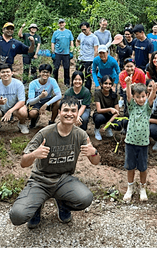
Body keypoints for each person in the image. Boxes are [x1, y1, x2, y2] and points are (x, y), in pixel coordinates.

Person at [8, 96, 101, 229]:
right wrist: (34, 154)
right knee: (17, 216)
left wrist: (94, 152)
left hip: (64, 180)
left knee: (85, 199)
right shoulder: (45, 133)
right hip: (40, 181)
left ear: (77, 114)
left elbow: (95, 161)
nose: (69, 114)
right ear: (59, 112)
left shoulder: (81, 134)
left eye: (73, 110)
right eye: (66, 110)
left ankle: (63, 203)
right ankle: (36, 207)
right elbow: (23, 162)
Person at [122, 83, 154, 202]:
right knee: (130, 166)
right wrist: (129, 83)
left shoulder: (147, 109)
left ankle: (142, 188)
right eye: (138, 97)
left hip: (143, 143)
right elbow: (128, 96)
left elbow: (151, 99)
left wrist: (154, 89)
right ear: (134, 98)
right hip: (130, 142)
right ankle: (130, 188)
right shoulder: (132, 107)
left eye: (143, 96)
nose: (141, 99)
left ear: (146, 95)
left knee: (142, 167)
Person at [0, 66, 27, 136]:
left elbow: (22, 101)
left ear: (12, 73)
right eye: (3, 72)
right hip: (0, 109)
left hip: (14, 108)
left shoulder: (18, 84)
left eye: (7, 72)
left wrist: (10, 111)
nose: (5, 74)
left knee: (23, 111)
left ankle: (22, 124)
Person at [25, 63, 63, 132]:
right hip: (35, 101)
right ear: (40, 73)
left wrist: (46, 104)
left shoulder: (52, 81)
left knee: (58, 103)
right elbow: (30, 101)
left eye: (47, 72)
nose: (45, 74)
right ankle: (34, 120)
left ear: (50, 74)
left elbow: (59, 95)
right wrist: (40, 97)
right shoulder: (33, 84)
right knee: (32, 113)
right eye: (43, 72)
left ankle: (52, 121)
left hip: (47, 100)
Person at [91, 75, 122, 140]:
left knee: (119, 125)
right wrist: (110, 109)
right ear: (101, 84)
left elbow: (117, 112)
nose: (108, 86)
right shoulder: (98, 93)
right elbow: (99, 110)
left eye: (110, 84)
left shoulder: (114, 95)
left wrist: (107, 125)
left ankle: (108, 128)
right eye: (105, 83)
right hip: (100, 114)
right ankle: (97, 129)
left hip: (110, 116)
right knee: (99, 118)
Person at [49, 19, 74, 85]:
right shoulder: (55, 33)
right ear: (58, 24)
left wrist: (71, 51)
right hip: (57, 53)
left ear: (65, 24)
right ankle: (55, 82)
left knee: (66, 68)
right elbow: (52, 42)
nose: (61, 24)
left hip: (66, 53)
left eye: (62, 23)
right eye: (60, 23)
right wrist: (53, 52)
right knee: (55, 68)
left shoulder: (69, 32)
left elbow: (71, 42)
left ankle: (67, 83)